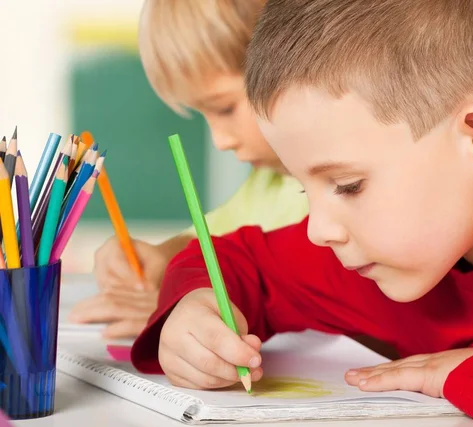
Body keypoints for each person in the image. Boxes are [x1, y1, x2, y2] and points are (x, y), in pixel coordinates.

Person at [130, 0, 473, 427]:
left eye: (348, 184)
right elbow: (236, 261)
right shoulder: (378, 248)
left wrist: (459, 373)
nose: (317, 231)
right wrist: (197, 312)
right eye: (302, 188)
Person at [67, 0, 308, 339]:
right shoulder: (270, 182)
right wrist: (163, 258)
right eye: (203, 114)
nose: (220, 141)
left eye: (224, 108)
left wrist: (181, 304)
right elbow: (217, 242)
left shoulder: (342, 188)